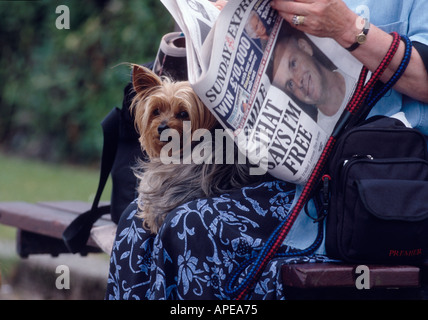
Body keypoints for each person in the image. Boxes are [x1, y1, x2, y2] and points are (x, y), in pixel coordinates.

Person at [106, 0, 428, 300]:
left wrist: (348, 29)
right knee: (134, 226)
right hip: (283, 176)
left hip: (363, 188)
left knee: (193, 226)